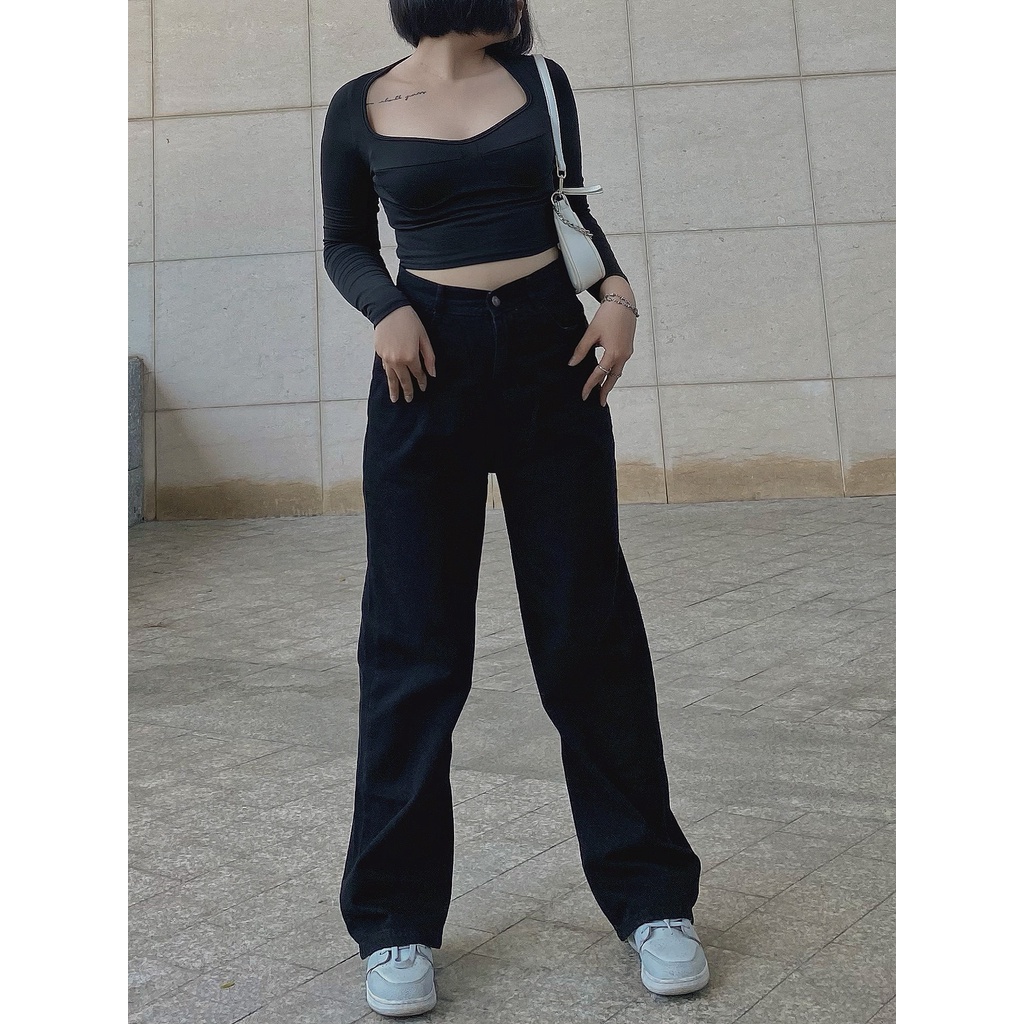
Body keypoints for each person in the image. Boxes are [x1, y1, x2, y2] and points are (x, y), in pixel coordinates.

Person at [320, 1, 708, 1015]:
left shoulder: (542, 83)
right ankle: (395, 924)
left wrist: (617, 296)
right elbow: (344, 241)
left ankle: (653, 901)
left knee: (589, 632)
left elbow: (570, 209)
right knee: (411, 645)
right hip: (423, 369)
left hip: (549, 353)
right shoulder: (358, 106)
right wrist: (386, 307)